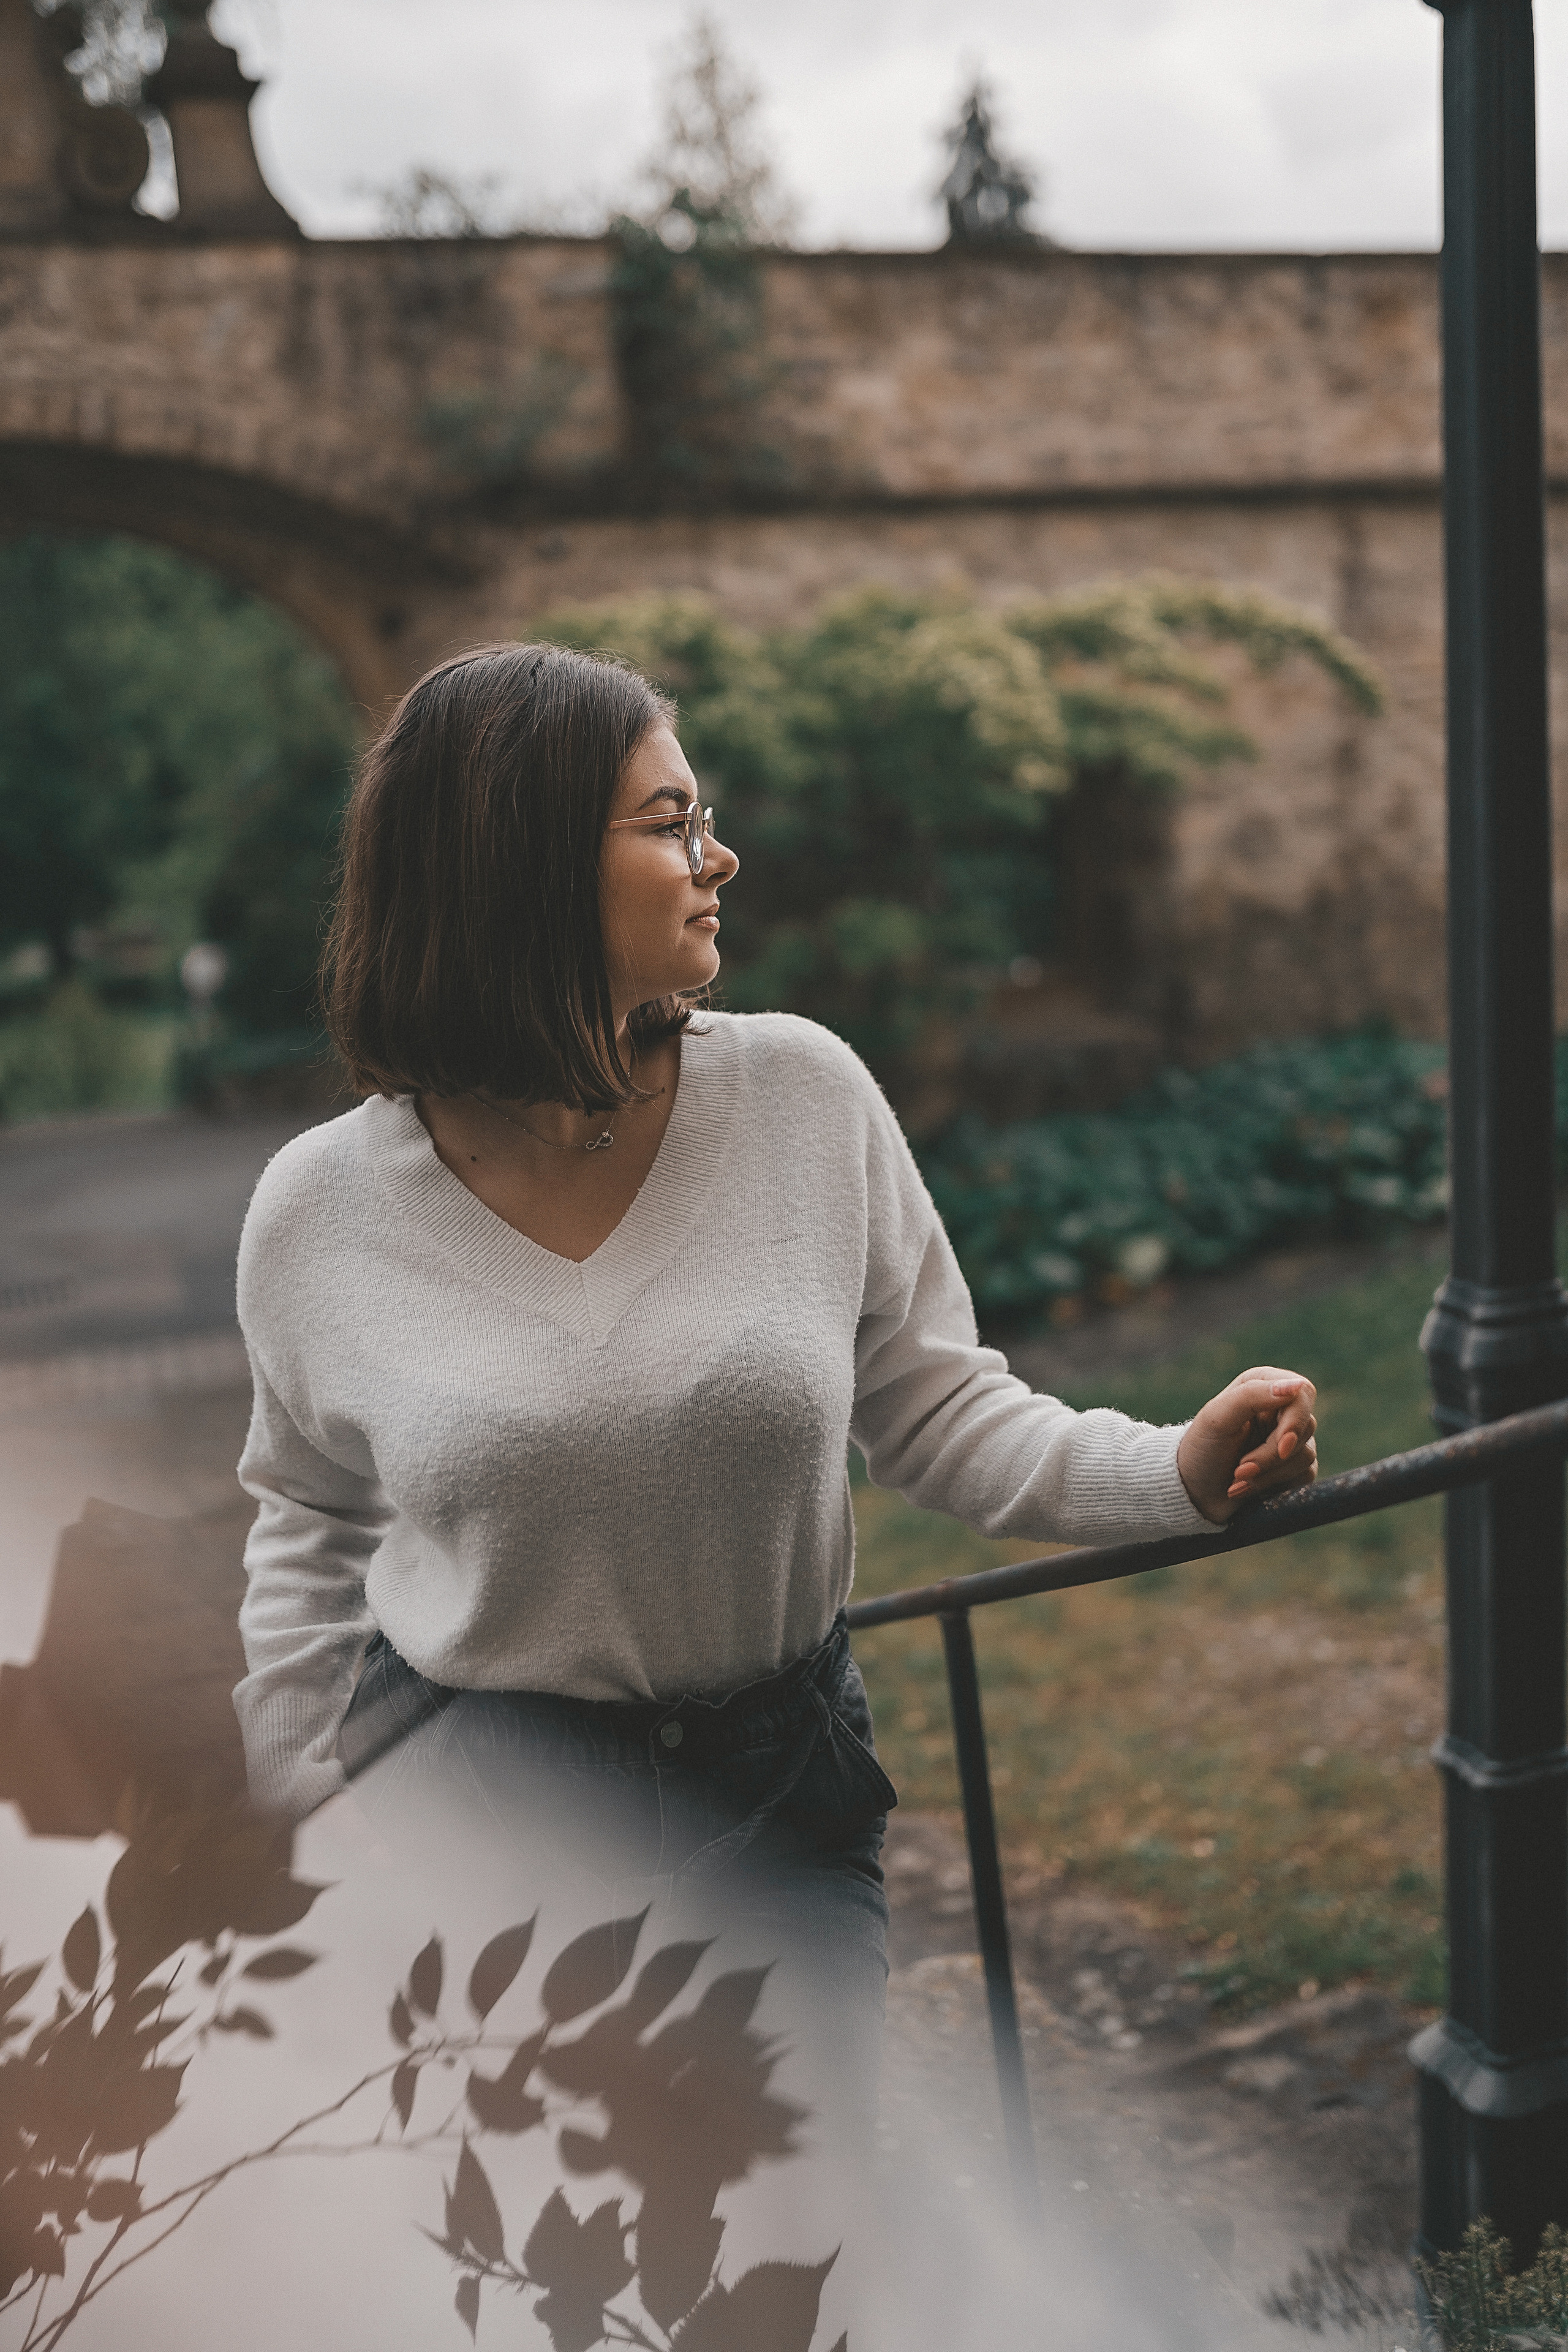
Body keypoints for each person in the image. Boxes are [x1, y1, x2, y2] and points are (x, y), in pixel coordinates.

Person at [230, 639, 1316, 2208]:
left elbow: (942, 1410)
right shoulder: (318, 1214)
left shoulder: (802, 1097)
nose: (715, 854)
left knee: (784, 2249)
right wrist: (294, 1828)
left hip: (775, 1802)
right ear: (520, 862)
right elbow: (308, 1531)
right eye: (667, 821)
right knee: (544, 2273)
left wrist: (1176, 1471)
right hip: (482, 1820)